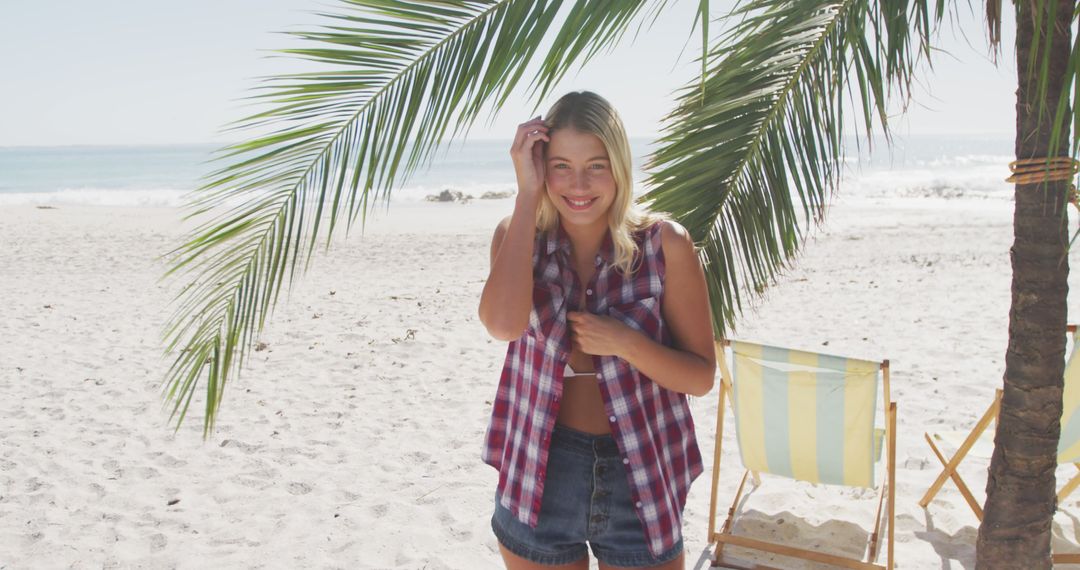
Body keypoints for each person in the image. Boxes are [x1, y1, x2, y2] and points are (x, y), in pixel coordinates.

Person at [477, 90, 717, 570]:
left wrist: (626, 343)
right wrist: (527, 195)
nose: (578, 183)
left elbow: (701, 377)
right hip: (541, 469)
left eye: (597, 165)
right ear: (541, 167)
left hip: (642, 468)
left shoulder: (665, 244)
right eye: (561, 165)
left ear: (620, 166)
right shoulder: (517, 235)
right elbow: (502, 325)